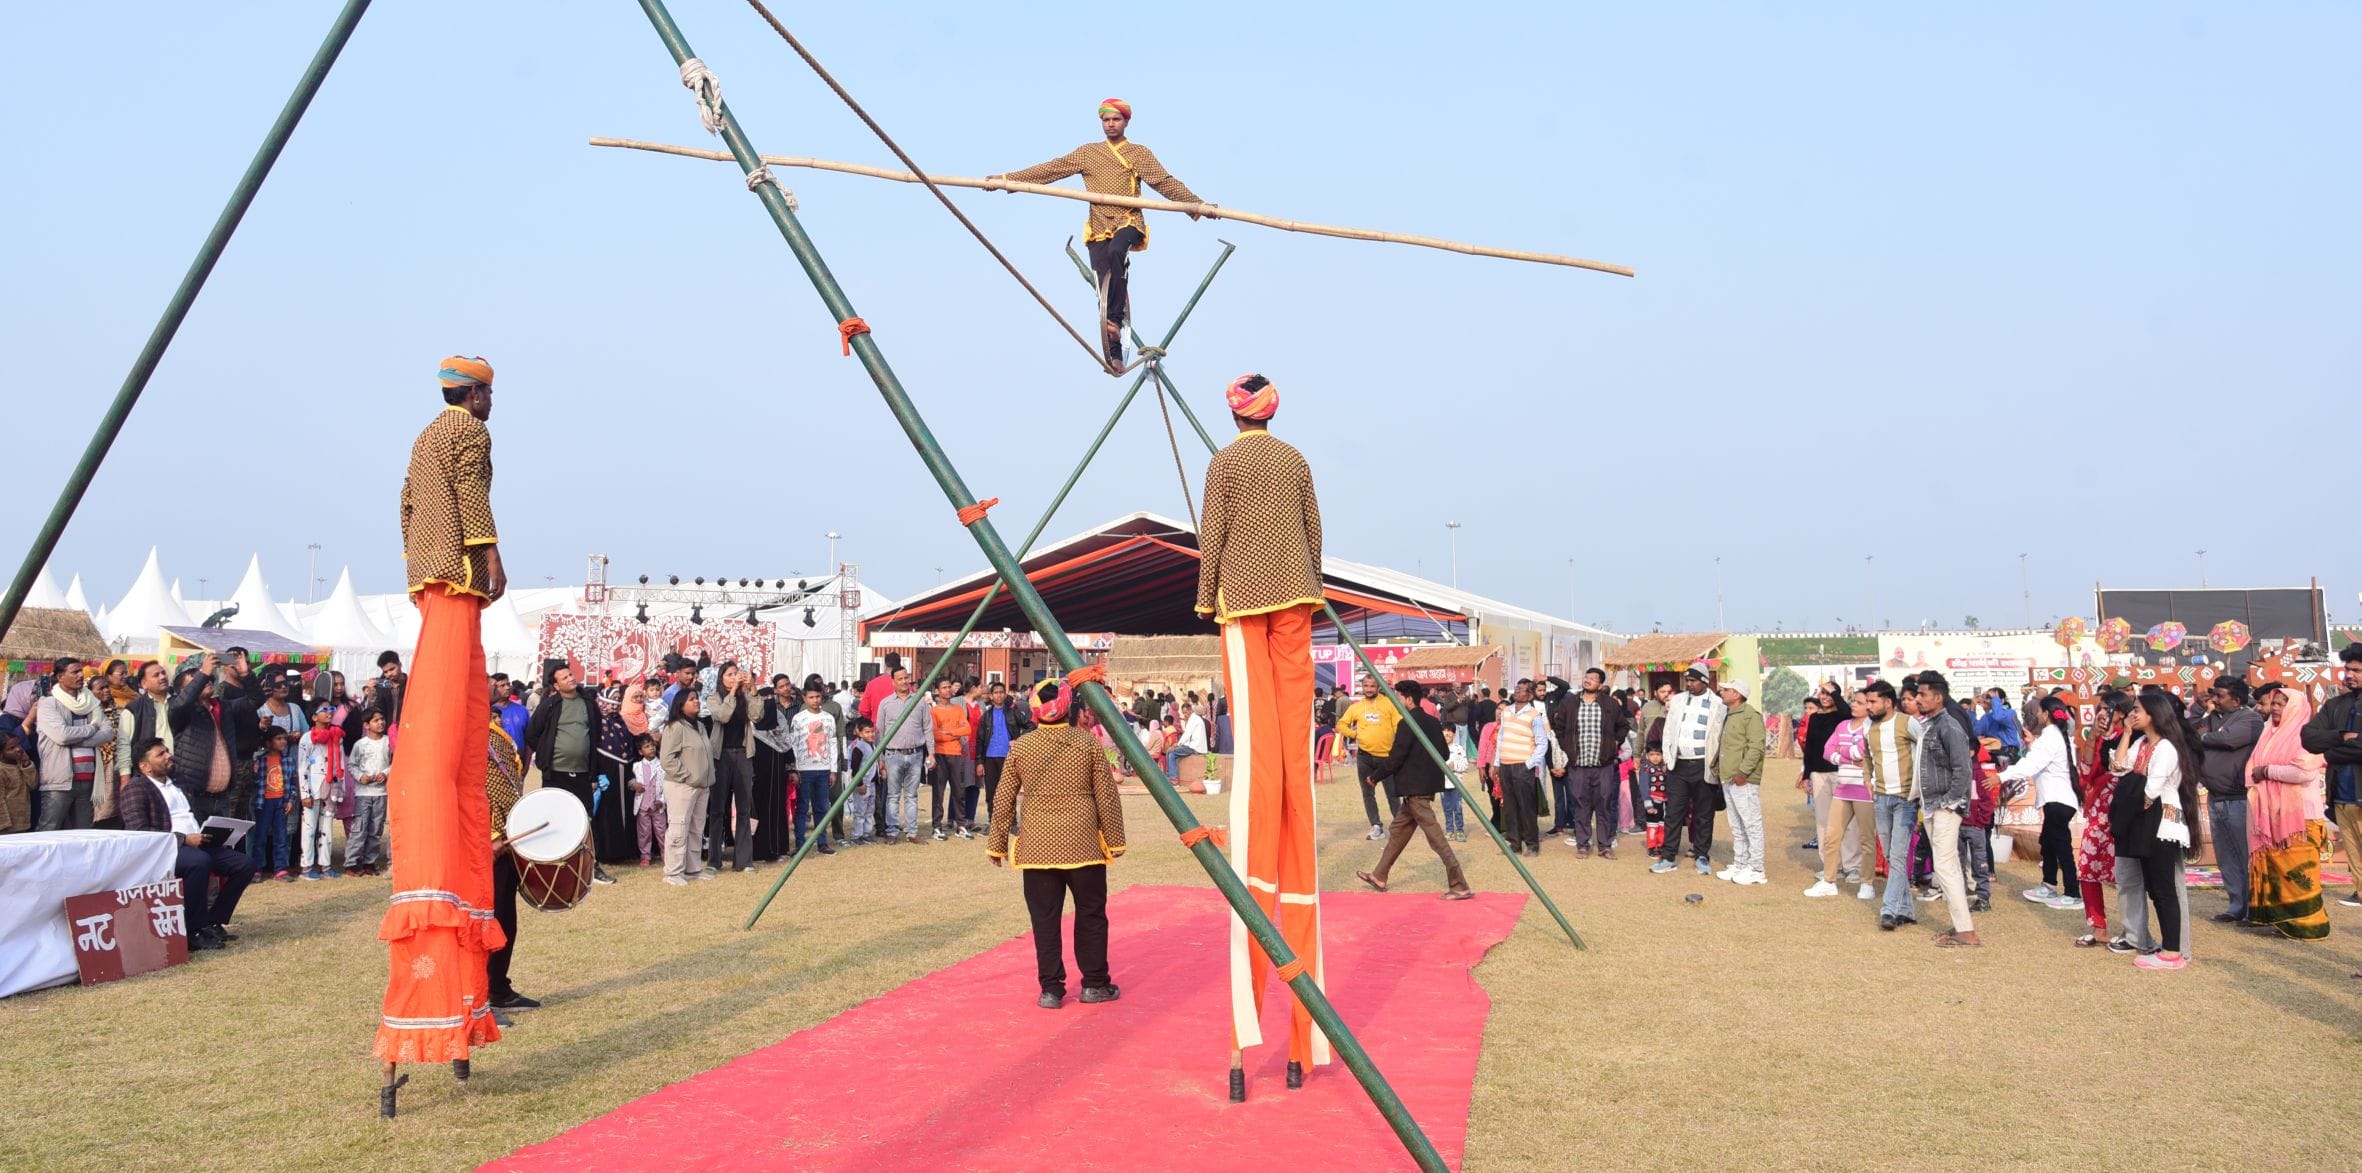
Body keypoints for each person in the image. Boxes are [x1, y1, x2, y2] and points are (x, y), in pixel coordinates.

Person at [376, 354, 509, 1114]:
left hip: (429, 578)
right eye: (490, 394)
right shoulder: (465, 434)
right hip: (454, 577)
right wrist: (485, 553)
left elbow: (405, 503)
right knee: (449, 744)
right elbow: (467, 492)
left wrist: (419, 562)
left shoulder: (424, 433)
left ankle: (462, 1023)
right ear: (478, 393)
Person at [1193, 372, 1329, 1099]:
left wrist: (1207, 592)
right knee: (1292, 742)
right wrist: (1311, 579)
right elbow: (1313, 529)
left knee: (1258, 752)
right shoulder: (1296, 459)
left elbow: (1211, 532)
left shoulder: (1225, 464)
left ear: (1234, 411)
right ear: (1274, 409)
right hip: (1297, 599)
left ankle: (1261, 1037)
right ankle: (1305, 1043)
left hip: (1245, 602)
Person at [991, 99, 1207, 366]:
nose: (1110, 125)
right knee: (1101, 288)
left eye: (1116, 120)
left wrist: (1196, 205)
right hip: (1098, 226)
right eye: (1106, 120)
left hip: (1128, 221)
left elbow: (1163, 182)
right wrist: (1006, 180)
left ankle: (1116, 319)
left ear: (1126, 122)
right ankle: (1115, 354)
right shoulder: (1088, 153)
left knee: (1118, 250)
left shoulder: (1138, 153)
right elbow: (1051, 169)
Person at [987, 679, 1126, 1010]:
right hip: (1084, 847)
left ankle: (1051, 990)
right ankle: (1094, 984)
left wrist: (997, 844)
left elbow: (1003, 797)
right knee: (1091, 915)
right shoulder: (1087, 744)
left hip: (1037, 849)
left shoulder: (1021, 747)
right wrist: (1116, 838)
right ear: (1069, 706)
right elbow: (1106, 794)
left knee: (1045, 920)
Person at [116, 737, 254, 951]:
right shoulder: (136, 789)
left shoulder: (179, 782)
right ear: (145, 767)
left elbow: (193, 814)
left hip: (200, 841)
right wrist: (183, 839)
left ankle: (213, 921)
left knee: (244, 864)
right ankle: (193, 930)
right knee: (199, 862)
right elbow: (138, 831)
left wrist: (216, 831)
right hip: (166, 849)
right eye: (160, 754)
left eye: (167, 751)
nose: (168, 756)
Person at [1354, 680, 1474, 900]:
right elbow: (1443, 755)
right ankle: (1379, 875)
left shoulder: (1407, 723)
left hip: (1416, 790)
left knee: (1436, 838)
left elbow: (1396, 757)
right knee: (1398, 833)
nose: (1395, 701)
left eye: (1398, 697)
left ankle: (1459, 885)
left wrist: (1375, 776)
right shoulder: (1431, 721)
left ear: (1409, 699)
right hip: (1418, 790)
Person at [2113, 690, 2203, 970]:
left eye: (2137, 711)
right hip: (2147, 820)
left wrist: (2129, 799)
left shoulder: (2165, 748)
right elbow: (2117, 767)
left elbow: (2151, 791)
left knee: (2164, 889)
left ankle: (2173, 952)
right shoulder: (2141, 743)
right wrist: (2126, 733)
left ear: (2154, 715)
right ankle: (2169, 949)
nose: (2133, 715)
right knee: (2154, 887)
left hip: (2162, 821)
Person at [2246, 683, 2327, 937]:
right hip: (2271, 816)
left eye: (2282, 704)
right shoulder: (2268, 732)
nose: (2276, 708)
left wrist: (2267, 771)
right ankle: (2285, 922)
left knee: (2300, 873)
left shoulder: (2305, 735)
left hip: (2300, 819)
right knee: (2279, 872)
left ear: (2295, 707)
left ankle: (2309, 925)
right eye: (2274, 703)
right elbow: (2253, 767)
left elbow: (2304, 772)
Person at [524, 666, 617, 885]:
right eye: (564, 677)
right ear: (556, 685)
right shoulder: (549, 705)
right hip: (556, 773)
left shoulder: (587, 704)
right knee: (555, 819)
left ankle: (591, 867)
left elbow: (596, 735)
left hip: (583, 772)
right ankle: (555, 868)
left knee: (585, 818)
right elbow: (532, 734)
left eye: (570, 675)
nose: (570, 679)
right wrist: (547, 754)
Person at [1909, 677, 1980, 946]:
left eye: (1923, 695)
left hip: (1945, 806)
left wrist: (1950, 802)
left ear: (1938, 698)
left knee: (1945, 867)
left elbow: (1963, 770)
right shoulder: (1930, 725)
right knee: (1945, 867)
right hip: (1932, 804)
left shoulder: (1949, 727)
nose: (1918, 699)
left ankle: (1966, 932)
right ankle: (1962, 927)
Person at [2005, 697, 2085, 911]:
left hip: (2058, 800)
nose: (2036, 715)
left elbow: (2031, 765)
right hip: (2055, 799)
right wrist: (2031, 743)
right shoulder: (2052, 735)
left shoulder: (2052, 736)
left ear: (2046, 714)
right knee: (2048, 842)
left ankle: (2073, 892)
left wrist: (2002, 776)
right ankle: (2049, 884)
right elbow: (2038, 761)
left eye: (2039, 711)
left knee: (2061, 846)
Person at [2194, 677, 2263, 923]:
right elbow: (2190, 732)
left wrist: (2207, 736)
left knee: (2244, 854)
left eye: (2220, 696)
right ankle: (2235, 905)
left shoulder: (2250, 719)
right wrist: (2200, 711)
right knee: (2225, 855)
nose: (2214, 699)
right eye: (2213, 694)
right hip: (2216, 797)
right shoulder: (2213, 718)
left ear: (2236, 700)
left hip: (2239, 798)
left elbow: (2228, 739)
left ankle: (2253, 907)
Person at [2300, 644, 2362, 909]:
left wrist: (2333, 753)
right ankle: (2360, 893)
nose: (2349, 675)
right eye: (2347, 669)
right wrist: (2339, 738)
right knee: (2353, 851)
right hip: (2341, 793)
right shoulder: (2336, 704)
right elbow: (2309, 737)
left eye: (2356, 670)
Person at [484, 699, 536, 1012]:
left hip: (506, 838)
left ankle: (497, 988)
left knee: (504, 918)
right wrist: (488, 838)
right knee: (488, 921)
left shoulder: (495, 738)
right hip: (484, 845)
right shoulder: (469, 741)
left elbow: (509, 781)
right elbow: (473, 794)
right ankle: (482, 996)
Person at [1651, 668, 1724, 876]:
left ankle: (1702, 855)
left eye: (1692, 680)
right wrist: (1667, 756)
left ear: (1703, 681)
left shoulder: (1718, 704)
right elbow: (1669, 731)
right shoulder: (1678, 700)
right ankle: (1668, 856)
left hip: (1704, 765)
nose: (1688, 684)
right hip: (1679, 765)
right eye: (1687, 680)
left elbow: (1718, 736)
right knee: (1673, 812)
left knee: (1704, 813)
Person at [1859, 680, 1919, 929]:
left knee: (1897, 855)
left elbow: (1926, 750)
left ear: (1888, 702)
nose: (1868, 707)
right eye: (1867, 702)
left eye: (1873, 702)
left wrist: (1919, 789)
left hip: (1905, 799)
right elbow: (1866, 756)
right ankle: (1906, 909)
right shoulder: (1867, 727)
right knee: (1891, 855)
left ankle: (1889, 909)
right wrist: (1867, 779)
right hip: (1881, 798)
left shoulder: (1908, 723)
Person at [1808, 691, 1877, 899]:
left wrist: (1843, 752)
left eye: (1859, 702)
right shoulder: (1842, 726)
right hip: (1843, 789)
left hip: (1864, 791)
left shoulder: (1872, 728)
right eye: (1853, 701)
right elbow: (1827, 751)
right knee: (1831, 835)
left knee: (1866, 839)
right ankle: (1829, 881)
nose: (1854, 705)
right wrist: (1846, 756)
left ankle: (1867, 883)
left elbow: (1862, 752)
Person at [1557, 668, 1630, 859]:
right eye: (1586, 677)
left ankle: (1605, 845)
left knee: (1604, 804)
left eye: (1593, 678)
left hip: (1603, 765)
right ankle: (1583, 844)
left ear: (1600, 684)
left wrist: (1615, 742)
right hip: (1578, 765)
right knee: (1581, 805)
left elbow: (1623, 726)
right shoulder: (1570, 703)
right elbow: (1559, 726)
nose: (1588, 680)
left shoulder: (1609, 704)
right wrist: (1567, 746)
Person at [33, 658, 114, 831]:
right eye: (75, 672)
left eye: (81, 671)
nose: (80, 675)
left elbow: (108, 733)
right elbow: (62, 736)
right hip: (59, 781)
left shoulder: (90, 702)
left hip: (88, 779)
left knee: (82, 833)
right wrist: (92, 728)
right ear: (61, 676)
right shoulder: (48, 704)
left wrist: (77, 739)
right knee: (49, 830)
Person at [704, 664, 761, 873]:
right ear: (722, 678)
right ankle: (714, 861)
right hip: (721, 755)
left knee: (744, 808)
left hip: (743, 754)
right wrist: (733, 692)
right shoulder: (714, 697)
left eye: (736, 674)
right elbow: (723, 716)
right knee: (718, 809)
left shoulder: (746, 696)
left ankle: (744, 861)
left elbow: (757, 716)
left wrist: (753, 689)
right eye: (730, 675)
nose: (734, 677)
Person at [1713, 679, 1768, 885]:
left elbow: (1756, 747)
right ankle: (1741, 863)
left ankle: (1756, 868)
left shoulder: (1750, 716)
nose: (1722, 692)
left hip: (1743, 779)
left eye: (1726, 690)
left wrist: (1743, 773)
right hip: (1729, 777)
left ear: (1737, 694)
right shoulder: (1727, 714)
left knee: (1751, 823)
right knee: (1736, 824)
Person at [660, 689, 717, 884]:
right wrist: (687, 776)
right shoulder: (675, 727)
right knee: (678, 827)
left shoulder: (700, 726)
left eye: (697, 698)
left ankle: (693, 868)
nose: (697, 702)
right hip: (681, 786)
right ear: (680, 704)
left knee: (696, 828)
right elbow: (667, 759)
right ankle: (673, 872)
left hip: (702, 786)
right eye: (691, 699)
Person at [1337, 674, 1403, 841]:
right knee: (1368, 794)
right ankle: (1376, 826)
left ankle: (1399, 827)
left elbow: (1399, 725)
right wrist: (1354, 733)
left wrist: (1399, 747)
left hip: (1386, 759)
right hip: (1364, 757)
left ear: (1378, 687)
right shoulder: (1356, 707)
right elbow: (1340, 725)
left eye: (1372, 686)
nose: (1369, 689)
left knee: (1393, 794)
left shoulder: (1389, 704)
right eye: (1366, 686)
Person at [874, 667, 935, 845]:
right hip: (893, 755)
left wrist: (931, 753)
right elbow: (880, 733)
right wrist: (881, 760)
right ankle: (892, 831)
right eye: (899, 679)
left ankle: (912, 832)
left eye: (906, 678)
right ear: (893, 682)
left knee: (912, 795)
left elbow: (927, 728)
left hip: (916, 754)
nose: (904, 681)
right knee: (892, 795)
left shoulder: (920, 702)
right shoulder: (885, 704)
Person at [1493, 680, 1551, 857]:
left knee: (1526, 807)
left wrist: (1528, 763)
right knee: (1509, 807)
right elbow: (1501, 737)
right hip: (1505, 765)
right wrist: (1497, 763)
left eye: (1522, 690)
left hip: (1522, 766)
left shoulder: (1535, 715)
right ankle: (1514, 843)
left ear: (1530, 695)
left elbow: (1542, 743)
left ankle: (1532, 844)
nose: (1518, 692)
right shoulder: (1507, 711)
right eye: (1517, 688)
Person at [789, 685, 841, 856]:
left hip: (824, 768)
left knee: (822, 807)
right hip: (804, 769)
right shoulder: (798, 719)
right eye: (811, 697)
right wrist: (795, 768)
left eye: (818, 696)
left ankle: (822, 843)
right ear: (804, 698)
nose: (815, 700)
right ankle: (801, 844)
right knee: (802, 808)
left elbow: (833, 743)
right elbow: (794, 744)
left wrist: (833, 769)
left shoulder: (828, 718)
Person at [928, 677, 975, 841]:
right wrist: (955, 732)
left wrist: (950, 732)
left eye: (949, 687)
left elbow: (967, 729)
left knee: (959, 791)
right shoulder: (933, 711)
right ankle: (936, 826)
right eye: (944, 687)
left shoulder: (958, 709)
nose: (948, 690)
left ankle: (960, 825)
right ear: (937, 691)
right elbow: (934, 734)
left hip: (956, 754)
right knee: (938, 792)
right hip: (940, 754)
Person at [345, 710, 391, 876]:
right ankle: (352, 862)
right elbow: (352, 765)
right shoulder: (360, 744)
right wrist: (360, 777)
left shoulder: (388, 742)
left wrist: (385, 773)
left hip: (381, 793)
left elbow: (395, 761)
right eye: (375, 720)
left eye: (382, 719)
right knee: (359, 828)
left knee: (376, 829)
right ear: (366, 725)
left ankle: (369, 862)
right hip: (363, 793)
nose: (380, 723)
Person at [251, 727, 298, 881]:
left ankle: (280, 869)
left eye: (284, 738)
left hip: (281, 802)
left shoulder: (288, 761)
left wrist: (291, 800)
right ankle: (257, 868)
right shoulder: (260, 760)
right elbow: (255, 783)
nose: (283, 741)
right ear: (268, 742)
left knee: (281, 836)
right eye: (278, 739)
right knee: (260, 837)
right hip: (263, 802)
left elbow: (292, 784)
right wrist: (254, 771)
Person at [630, 734, 667, 866]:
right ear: (640, 751)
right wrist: (634, 784)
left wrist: (662, 801)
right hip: (642, 806)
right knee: (644, 832)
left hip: (658, 806)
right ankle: (645, 856)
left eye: (652, 745)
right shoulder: (636, 766)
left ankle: (666, 855)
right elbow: (631, 781)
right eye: (647, 746)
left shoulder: (663, 765)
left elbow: (667, 786)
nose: (651, 748)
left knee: (662, 831)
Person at [845, 717, 879, 844]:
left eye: (872, 731)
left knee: (869, 809)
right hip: (862, 784)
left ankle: (866, 833)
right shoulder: (858, 747)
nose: (870, 734)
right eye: (867, 732)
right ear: (859, 733)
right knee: (860, 811)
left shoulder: (872, 744)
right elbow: (854, 767)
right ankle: (856, 835)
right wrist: (860, 784)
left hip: (871, 783)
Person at [1975, 687, 2024, 769]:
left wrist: (1994, 699)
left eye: (1992, 698)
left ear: (2001, 701)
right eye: (1988, 698)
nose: (1989, 700)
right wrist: (1973, 709)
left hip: (2008, 753)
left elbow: (1998, 717)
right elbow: (1975, 732)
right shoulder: (1986, 717)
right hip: (1992, 753)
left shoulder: (2010, 713)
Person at [1165, 701, 1209, 781]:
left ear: (1190, 710)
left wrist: (1178, 744)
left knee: (1172, 753)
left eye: (1185, 712)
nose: (1185, 715)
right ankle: (1168, 776)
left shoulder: (1193, 719)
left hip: (1195, 747)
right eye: (1183, 713)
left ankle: (1173, 778)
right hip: (1193, 745)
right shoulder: (1194, 718)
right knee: (1169, 751)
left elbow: (1187, 734)